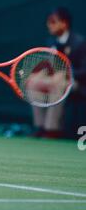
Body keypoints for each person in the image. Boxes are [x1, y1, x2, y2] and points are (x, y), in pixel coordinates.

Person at [32, 8, 86, 139]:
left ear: (64, 23)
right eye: (48, 22)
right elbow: (50, 66)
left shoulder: (80, 43)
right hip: (56, 81)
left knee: (59, 82)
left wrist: (67, 74)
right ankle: (40, 127)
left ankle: (52, 130)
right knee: (33, 83)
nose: (49, 25)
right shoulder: (51, 42)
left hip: (78, 84)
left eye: (53, 22)